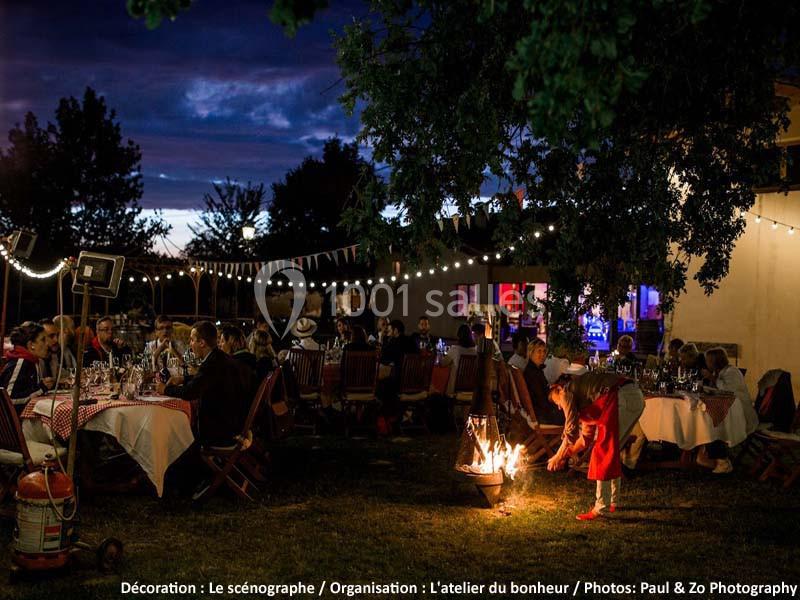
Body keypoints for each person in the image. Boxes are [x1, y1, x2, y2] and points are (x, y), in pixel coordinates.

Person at [547, 368, 645, 520]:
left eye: (556, 401)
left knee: (602, 451)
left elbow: (571, 430)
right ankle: (613, 501)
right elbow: (585, 438)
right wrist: (565, 455)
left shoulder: (565, 392)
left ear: (558, 389)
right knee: (612, 450)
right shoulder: (585, 398)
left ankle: (601, 507)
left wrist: (557, 456)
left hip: (620, 397)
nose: (559, 407)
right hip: (634, 396)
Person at [159, 321, 247, 446]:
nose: (190, 345)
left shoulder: (211, 364)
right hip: (234, 424)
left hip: (219, 432)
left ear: (202, 343)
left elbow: (190, 392)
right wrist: (183, 379)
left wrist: (164, 389)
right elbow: (205, 379)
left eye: (192, 340)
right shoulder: (219, 357)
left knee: (176, 434)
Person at [697, 347, 758, 474]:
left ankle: (721, 460)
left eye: (708, 361)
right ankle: (708, 455)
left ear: (715, 361)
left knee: (712, 421)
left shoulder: (732, 372)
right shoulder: (719, 373)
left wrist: (712, 379)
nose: (706, 364)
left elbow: (728, 391)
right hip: (728, 410)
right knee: (708, 417)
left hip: (741, 415)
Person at [0, 323, 54, 412]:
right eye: (43, 340)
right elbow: (9, 400)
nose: (47, 344)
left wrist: (41, 385)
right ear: (31, 345)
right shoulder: (20, 362)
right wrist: (41, 388)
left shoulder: (31, 361)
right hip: (14, 423)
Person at [523, 339, 563, 425]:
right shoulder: (533, 373)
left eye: (544, 351)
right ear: (531, 353)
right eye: (539, 351)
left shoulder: (534, 370)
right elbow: (542, 401)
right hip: (541, 416)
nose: (543, 354)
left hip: (537, 412)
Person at [220, 325, 258, 398]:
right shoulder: (249, 358)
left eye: (222, 341)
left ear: (231, 342)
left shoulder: (234, 364)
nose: (219, 345)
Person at [440, 324, 477, 396]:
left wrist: (440, 354)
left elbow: (443, 363)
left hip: (454, 388)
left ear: (459, 336)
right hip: (471, 387)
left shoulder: (455, 349)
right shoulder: (476, 351)